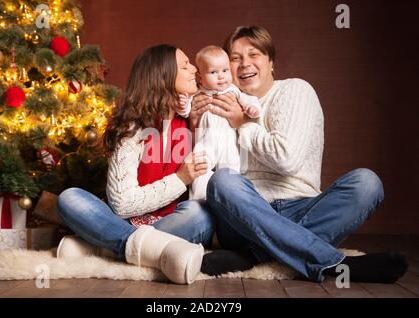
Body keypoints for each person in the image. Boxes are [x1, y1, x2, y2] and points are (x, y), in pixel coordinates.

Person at [195, 25, 408, 283]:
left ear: (271, 62)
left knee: (367, 183)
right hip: (245, 215)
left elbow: (287, 159)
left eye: (254, 55)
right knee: (223, 181)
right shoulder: (221, 100)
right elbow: (207, 162)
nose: (244, 64)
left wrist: (244, 125)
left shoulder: (296, 90)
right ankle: (333, 262)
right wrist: (195, 121)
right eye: (235, 58)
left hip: (302, 206)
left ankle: (255, 255)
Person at [56, 44, 215, 285]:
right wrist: (180, 179)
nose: (194, 68)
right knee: (69, 198)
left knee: (199, 214)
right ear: (162, 77)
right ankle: (150, 250)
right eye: (185, 66)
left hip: (173, 222)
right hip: (123, 220)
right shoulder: (132, 128)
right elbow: (121, 204)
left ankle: (105, 248)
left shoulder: (194, 118)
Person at [177, 45, 262, 200]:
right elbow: (186, 112)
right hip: (205, 142)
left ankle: (231, 201)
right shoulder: (197, 93)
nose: (221, 76)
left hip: (228, 142)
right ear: (201, 77)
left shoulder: (233, 90)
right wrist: (183, 105)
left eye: (225, 70)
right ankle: (199, 200)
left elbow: (249, 99)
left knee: (231, 172)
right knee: (199, 169)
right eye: (213, 72)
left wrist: (252, 108)